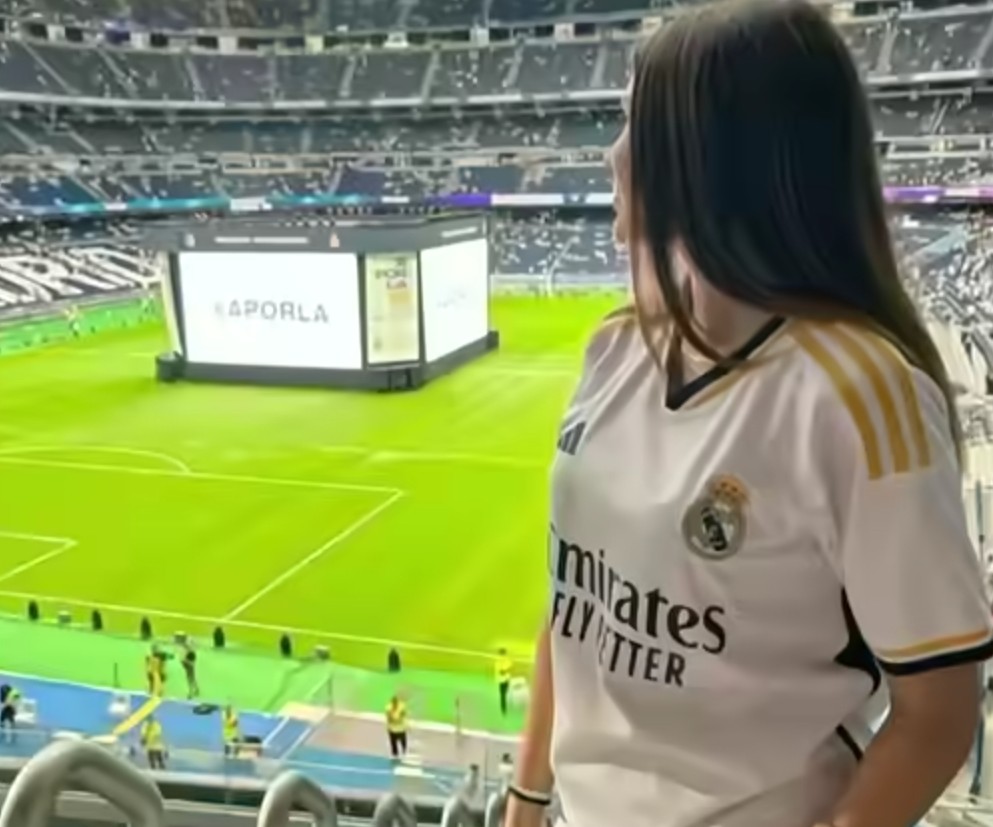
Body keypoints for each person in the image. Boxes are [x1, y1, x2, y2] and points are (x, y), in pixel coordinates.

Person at [506, 3, 993, 827]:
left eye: (635, 126)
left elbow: (939, 709)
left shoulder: (858, 395)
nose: (612, 154)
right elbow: (576, 606)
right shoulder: (612, 350)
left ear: (708, 159)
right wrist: (525, 800)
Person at [385, 694, 408, 759]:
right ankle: (395, 754)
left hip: (401, 728)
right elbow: (389, 718)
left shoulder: (402, 706)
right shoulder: (388, 708)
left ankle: (404, 752)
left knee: (403, 741)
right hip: (392, 728)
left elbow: (403, 715)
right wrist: (394, 719)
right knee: (393, 742)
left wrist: (398, 719)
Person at [494, 648, 512, 716]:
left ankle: (503, 709)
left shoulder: (498, 661)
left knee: (503, 695)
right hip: (506, 680)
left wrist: (503, 671)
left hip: (502, 680)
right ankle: (504, 709)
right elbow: (509, 669)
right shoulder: (507, 660)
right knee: (504, 695)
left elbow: (500, 671)